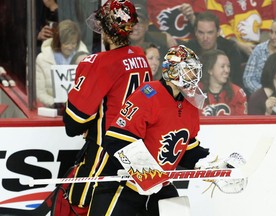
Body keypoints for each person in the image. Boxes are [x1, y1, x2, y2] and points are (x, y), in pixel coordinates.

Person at [87, 45, 211, 215]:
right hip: (124, 185)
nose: (194, 75)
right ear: (172, 71)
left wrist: (205, 163)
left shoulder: (190, 105)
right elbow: (117, 139)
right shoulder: (148, 94)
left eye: (195, 70)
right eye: (189, 70)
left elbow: (185, 146)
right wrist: (146, 174)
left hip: (161, 186)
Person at [62, 0, 152, 214]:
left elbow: (73, 123)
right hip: (137, 151)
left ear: (105, 28)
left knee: (78, 205)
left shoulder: (98, 63)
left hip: (105, 152)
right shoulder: (140, 56)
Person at [184, 11, 244, 89]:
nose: (205, 38)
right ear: (195, 32)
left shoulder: (230, 49)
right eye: (201, 33)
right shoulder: (188, 49)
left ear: (218, 32)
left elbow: (236, 82)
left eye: (210, 33)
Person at [36, 19, 88, 108]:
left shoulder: (85, 58)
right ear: (58, 42)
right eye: (67, 43)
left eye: (73, 43)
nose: (70, 47)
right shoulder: (42, 59)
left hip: (79, 111)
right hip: (53, 112)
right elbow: (40, 92)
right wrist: (56, 104)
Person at [207, 0, 274, 60]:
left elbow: (268, 21)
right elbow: (222, 26)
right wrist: (240, 45)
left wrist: (262, 47)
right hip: (232, 49)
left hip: (262, 45)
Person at [243, 16, 276, 95]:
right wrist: (265, 93)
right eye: (271, 32)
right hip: (261, 97)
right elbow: (248, 79)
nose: (272, 36)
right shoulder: (259, 50)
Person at [199, 49, 247, 116]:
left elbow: (242, 123)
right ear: (210, 70)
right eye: (222, 66)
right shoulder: (195, 93)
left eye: (228, 66)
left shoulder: (237, 93)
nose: (227, 70)